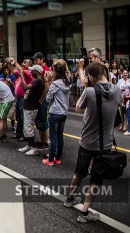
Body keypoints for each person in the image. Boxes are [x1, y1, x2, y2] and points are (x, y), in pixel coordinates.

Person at [64, 62, 121, 223]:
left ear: (91, 77)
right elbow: (119, 104)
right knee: (96, 178)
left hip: (87, 142)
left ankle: (70, 198)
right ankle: (84, 212)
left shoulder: (89, 91)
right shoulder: (116, 90)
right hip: (105, 144)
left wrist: (88, 87)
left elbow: (78, 108)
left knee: (79, 172)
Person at [43, 59, 71, 165]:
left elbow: (48, 99)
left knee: (53, 137)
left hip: (55, 112)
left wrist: (47, 81)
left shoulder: (55, 84)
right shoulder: (67, 83)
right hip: (64, 112)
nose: (52, 72)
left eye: (53, 70)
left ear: (57, 72)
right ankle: (58, 158)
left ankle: (50, 160)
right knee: (60, 135)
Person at [17, 63, 44, 155]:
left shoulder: (38, 81)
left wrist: (21, 76)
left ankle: (34, 148)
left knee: (28, 128)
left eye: (32, 70)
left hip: (31, 107)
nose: (31, 72)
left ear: (37, 71)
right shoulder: (37, 80)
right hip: (29, 106)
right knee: (27, 127)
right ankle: (29, 145)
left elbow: (25, 87)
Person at [33, 52, 51, 151]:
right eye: (34, 60)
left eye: (36, 60)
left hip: (43, 99)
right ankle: (41, 140)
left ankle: (45, 142)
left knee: (43, 120)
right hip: (38, 98)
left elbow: (47, 87)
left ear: (42, 59)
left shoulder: (46, 70)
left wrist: (42, 98)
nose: (35, 62)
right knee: (39, 120)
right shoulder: (38, 70)